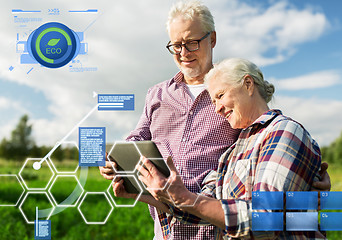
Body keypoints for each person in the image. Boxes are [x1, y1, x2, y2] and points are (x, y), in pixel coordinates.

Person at [100, 1, 330, 239]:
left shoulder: (262, 121)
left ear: (212, 39)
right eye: (176, 45)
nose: (183, 53)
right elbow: (137, 141)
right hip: (170, 227)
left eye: (191, 43)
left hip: (217, 229)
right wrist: (118, 164)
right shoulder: (158, 96)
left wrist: (306, 181)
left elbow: (273, 146)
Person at [134, 58, 327, 239]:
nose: (217, 108)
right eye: (213, 101)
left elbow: (266, 221)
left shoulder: (284, 132)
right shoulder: (231, 152)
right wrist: (145, 193)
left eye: (220, 95)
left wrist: (184, 198)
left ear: (248, 85)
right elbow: (202, 209)